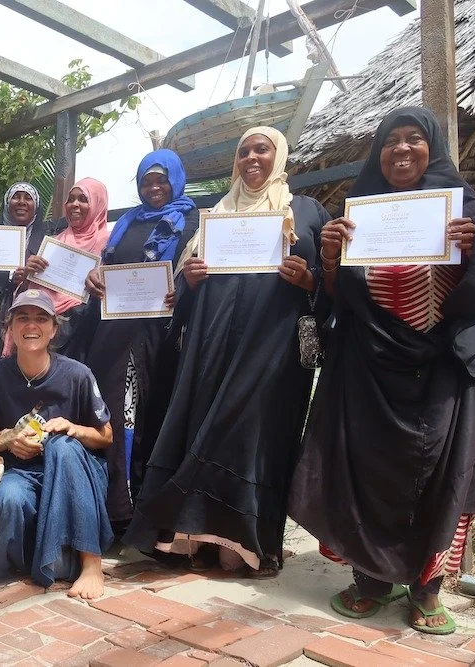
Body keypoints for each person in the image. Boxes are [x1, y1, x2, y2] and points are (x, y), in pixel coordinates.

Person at [288, 107, 475, 634]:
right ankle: (370, 581)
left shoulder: (461, 205)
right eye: (390, 142)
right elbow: (341, 300)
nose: (402, 150)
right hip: (369, 367)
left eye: (414, 140)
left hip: (446, 367)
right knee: (366, 469)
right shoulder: (358, 212)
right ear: (377, 153)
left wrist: (469, 252)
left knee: (439, 474)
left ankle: (426, 590)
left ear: (433, 148)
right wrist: (332, 259)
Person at [124, 127, 330, 577]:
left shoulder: (308, 212)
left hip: (272, 352)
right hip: (211, 348)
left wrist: (309, 281)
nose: (252, 158)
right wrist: (190, 281)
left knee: (255, 438)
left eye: (262, 149)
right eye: (244, 151)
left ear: (280, 154)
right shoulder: (214, 215)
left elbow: (330, 285)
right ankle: (191, 539)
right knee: (202, 429)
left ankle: (248, 544)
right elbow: (179, 295)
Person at [82, 149, 199, 538]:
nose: (154, 188)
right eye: (146, 181)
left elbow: (200, 273)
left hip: (162, 339)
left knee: (153, 417)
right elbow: (106, 265)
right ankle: (115, 509)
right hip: (115, 335)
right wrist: (96, 277)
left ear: (176, 180)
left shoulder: (194, 220)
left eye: (161, 179)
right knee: (113, 413)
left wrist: (182, 289)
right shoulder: (127, 222)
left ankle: (147, 516)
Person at [0, 290, 113, 599]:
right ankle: (45, 555)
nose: (31, 325)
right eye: (22, 318)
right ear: (9, 328)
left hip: (76, 475)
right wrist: (9, 440)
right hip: (21, 472)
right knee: (9, 499)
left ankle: (91, 563)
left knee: (63, 446)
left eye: (41, 318)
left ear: (53, 329)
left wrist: (73, 428)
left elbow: (106, 436)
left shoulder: (77, 374)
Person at [10, 178, 110, 362]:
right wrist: (27, 274)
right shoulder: (54, 242)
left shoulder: (110, 245)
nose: (75, 205)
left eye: (83, 199)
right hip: (41, 330)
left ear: (98, 203)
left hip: (84, 337)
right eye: (71, 199)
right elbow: (32, 292)